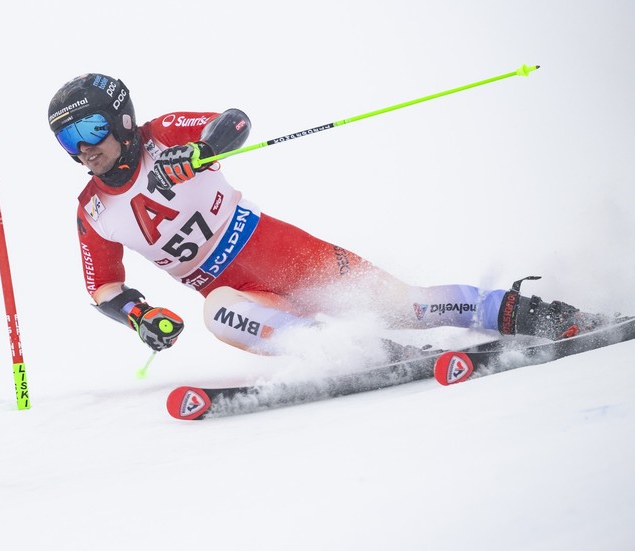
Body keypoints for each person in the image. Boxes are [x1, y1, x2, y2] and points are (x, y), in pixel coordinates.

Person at [48, 72, 607, 357]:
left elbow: (234, 123)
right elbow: (104, 287)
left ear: (121, 121)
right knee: (218, 314)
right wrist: (142, 318)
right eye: (68, 139)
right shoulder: (92, 211)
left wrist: (197, 152)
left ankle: (525, 312)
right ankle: (354, 354)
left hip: (280, 253)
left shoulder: (161, 135)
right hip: (240, 294)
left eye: (92, 128)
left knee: (404, 307)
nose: (84, 148)